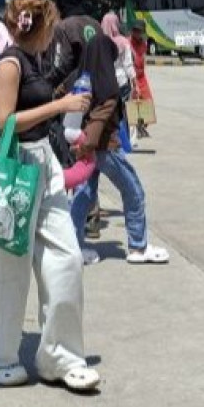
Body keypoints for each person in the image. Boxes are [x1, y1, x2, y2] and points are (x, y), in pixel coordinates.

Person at [0, 0, 100, 392]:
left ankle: (60, 355)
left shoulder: (38, 61)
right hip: (15, 164)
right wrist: (60, 105)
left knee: (67, 257)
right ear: (42, 25)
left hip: (44, 163)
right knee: (7, 267)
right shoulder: (10, 63)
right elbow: (6, 119)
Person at [68, 33, 171, 266]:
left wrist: (81, 146)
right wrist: (88, 144)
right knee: (133, 191)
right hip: (105, 148)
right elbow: (101, 116)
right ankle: (138, 246)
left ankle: (73, 244)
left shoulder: (78, 79)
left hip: (85, 148)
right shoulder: (108, 84)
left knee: (84, 196)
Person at [129, 19, 154, 139]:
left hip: (142, 76)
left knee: (148, 102)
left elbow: (142, 59)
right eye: (135, 31)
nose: (137, 33)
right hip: (132, 77)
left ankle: (142, 126)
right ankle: (135, 129)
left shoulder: (144, 43)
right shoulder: (128, 43)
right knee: (134, 104)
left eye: (139, 31)